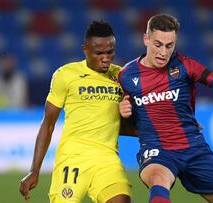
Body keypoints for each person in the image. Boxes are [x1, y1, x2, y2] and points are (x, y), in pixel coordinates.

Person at [119, 14, 213, 203]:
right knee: (158, 180)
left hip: (194, 147)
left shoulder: (186, 66)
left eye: (169, 46)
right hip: (157, 149)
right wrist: (122, 110)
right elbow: (119, 120)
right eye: (158, 44)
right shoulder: (126, 76)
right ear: (146, 39)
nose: (163, 52)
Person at [19, 21, 132, 203]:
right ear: (85, 49)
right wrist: (34, 170)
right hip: (73, 159)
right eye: (99, 53)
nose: (106, 58)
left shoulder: (122, 78)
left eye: (110, 52)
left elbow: (123, 125)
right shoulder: (66, 75)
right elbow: (48, 125)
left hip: (107, 159)